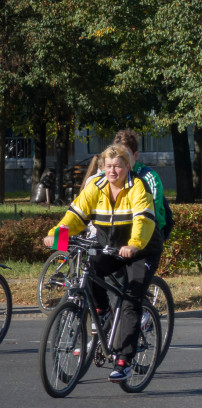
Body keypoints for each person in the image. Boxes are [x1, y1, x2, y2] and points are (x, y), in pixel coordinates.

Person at [42, 144, 163, 382]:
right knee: (90, 272)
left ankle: (123, 362)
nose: (112, 171)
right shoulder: (96, 187)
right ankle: (104, 312)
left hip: (142, 249)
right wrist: (55, 235)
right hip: (111, 247)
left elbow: (143, 220)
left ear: (128, 167)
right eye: (108, 166)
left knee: (130, 300)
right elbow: (75, 217)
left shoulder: (138, 187)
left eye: (118, 166)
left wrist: (134, 244)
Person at [112, 129, 168, 238]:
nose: (122, 160)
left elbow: (151, 213)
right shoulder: (108, 176)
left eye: (126, 155)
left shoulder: (149, 177)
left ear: (136, 155)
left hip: (148, 234)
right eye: (118, 155)